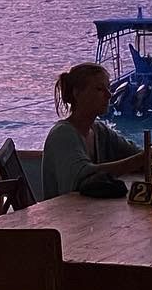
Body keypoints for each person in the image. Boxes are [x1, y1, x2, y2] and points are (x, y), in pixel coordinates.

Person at [42, 63, 146, 198]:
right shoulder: (62, 135)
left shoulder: (99, 130)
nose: (109, 95)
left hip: (93, 213)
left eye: (108, 89)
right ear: (77, 93)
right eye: (99, 89)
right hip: (64, 216)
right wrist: (141, 159)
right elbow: (84, 175)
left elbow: (134, 153)